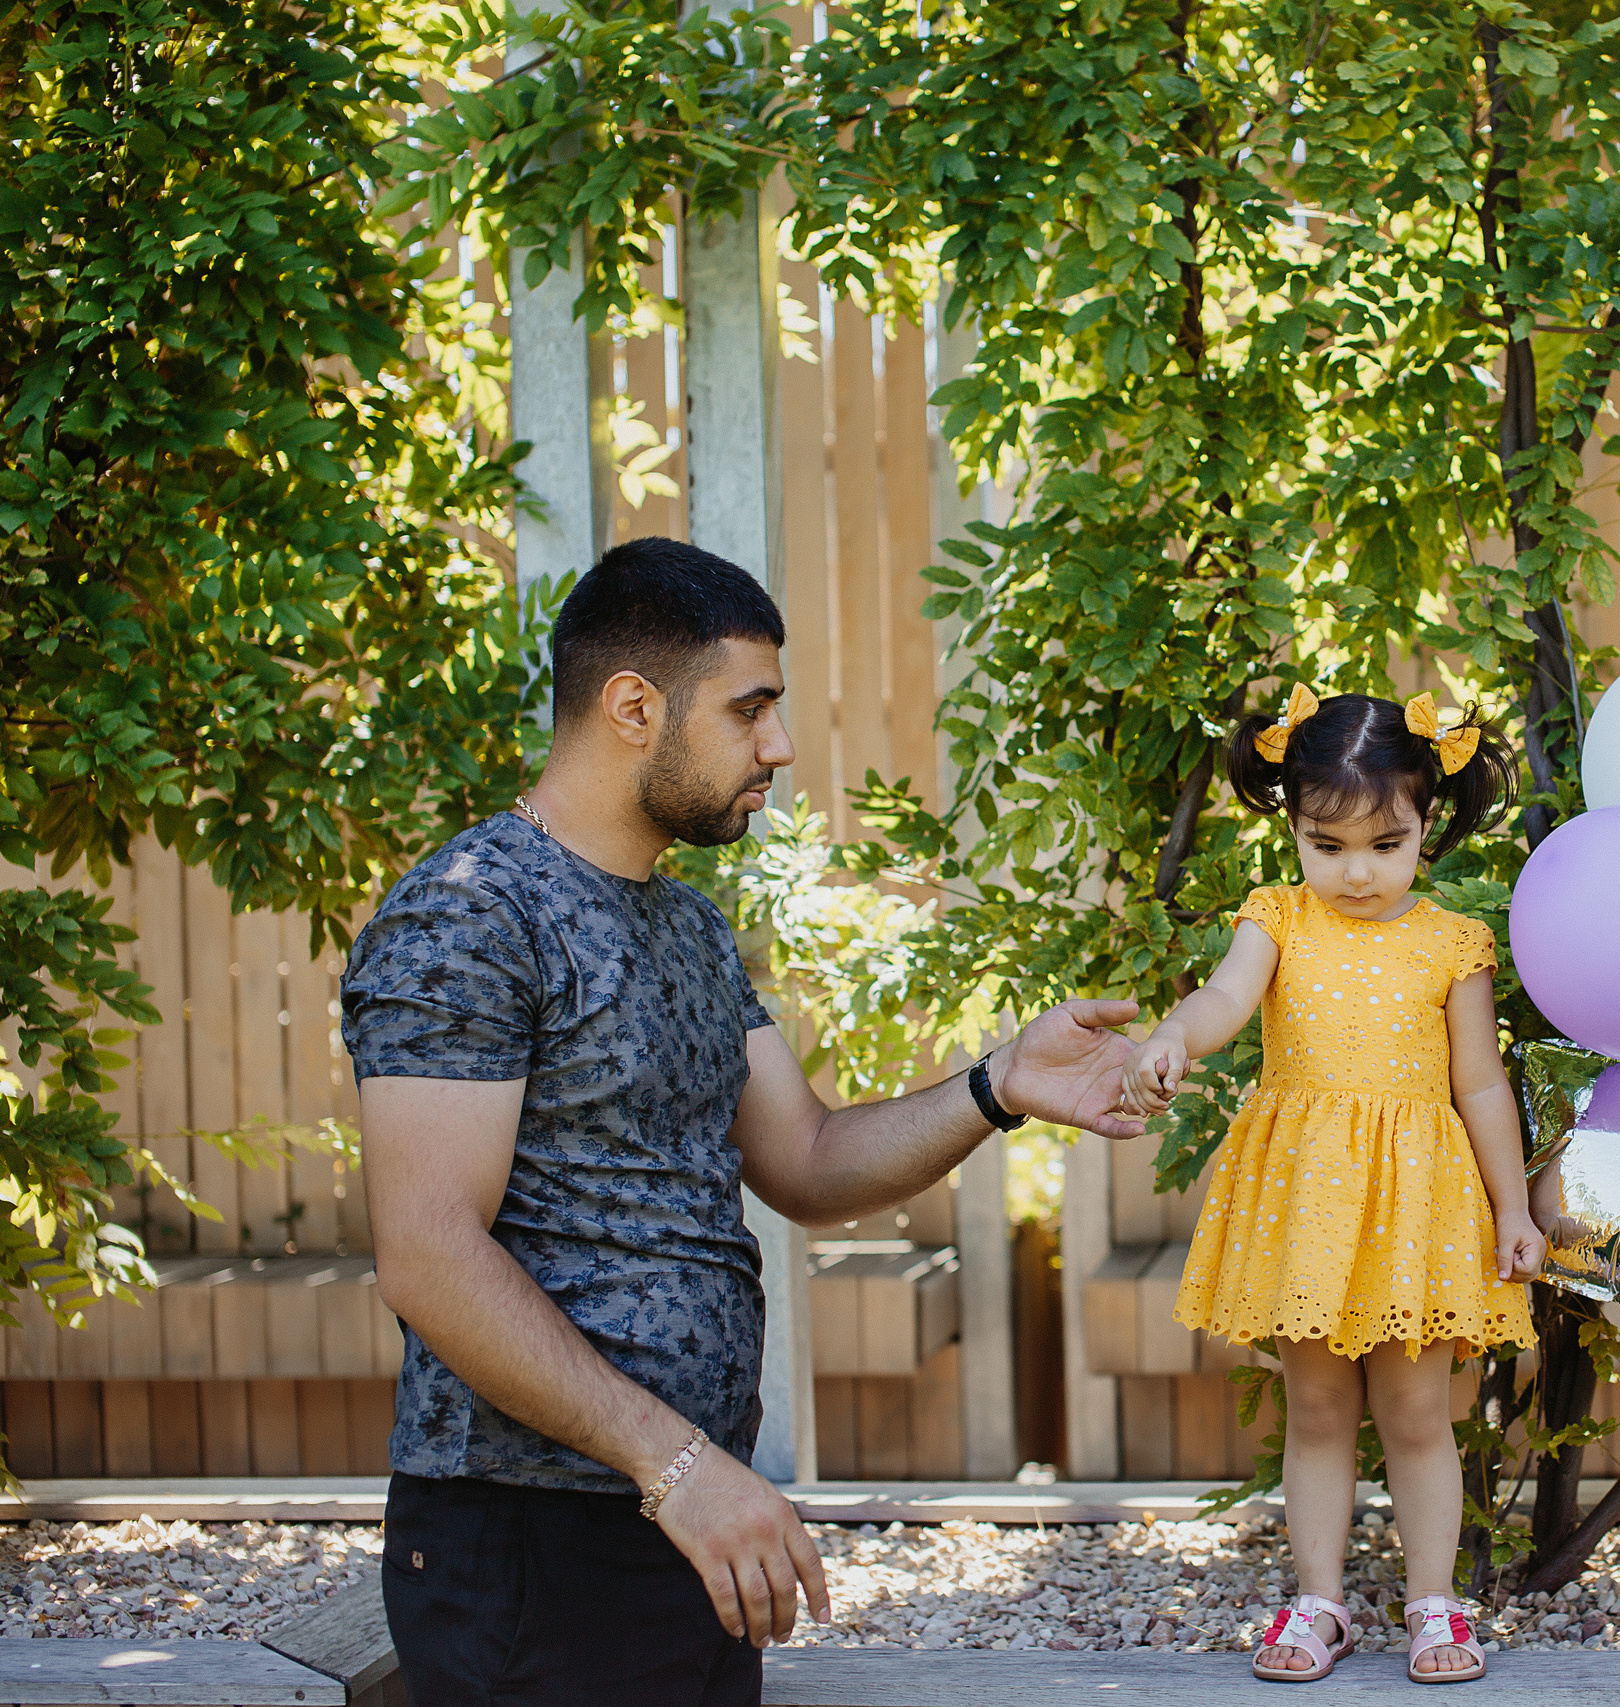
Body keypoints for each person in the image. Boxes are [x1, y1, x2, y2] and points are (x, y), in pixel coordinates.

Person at [342, 537, 1143, 1706]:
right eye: (750, 708)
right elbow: (427, 1256)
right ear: (633, 708)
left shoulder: (691, 929)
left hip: (688, 1516)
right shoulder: (470, 915)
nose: (779, 745)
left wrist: (999, 1084)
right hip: (533, 1539)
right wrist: (676, 1468)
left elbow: (806, 1160)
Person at [1120, 685, 1545, 1686]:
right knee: (1314, 1411)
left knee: (1417, 1413)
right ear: (1293, 830)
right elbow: (1226, 995)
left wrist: (1514, 1207)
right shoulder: (1277, 918)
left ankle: (1432, 1601)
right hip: (1310, 1206)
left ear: (1426, 824)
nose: (1357, 872)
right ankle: (1319, 1601)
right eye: (1328, 845)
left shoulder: (1453, 942)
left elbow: (1481, 1083)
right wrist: (1174, 1034)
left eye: (1385, 845)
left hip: (1414, 1209)